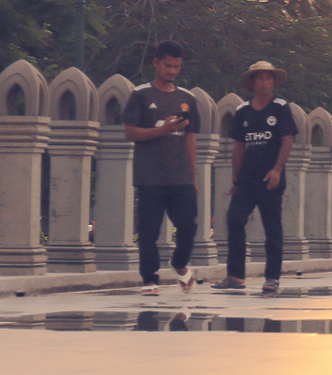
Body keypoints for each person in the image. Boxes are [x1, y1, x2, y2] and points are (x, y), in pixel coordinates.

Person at [122, 41, 200, 293]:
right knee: (148, 231)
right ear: (156, 62)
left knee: (188, 226)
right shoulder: (140, 94)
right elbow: (131, 132)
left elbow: (190, 136)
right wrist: (162, 130)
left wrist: (193, 175)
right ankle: (150, 279)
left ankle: (179, 264)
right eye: (168, 65)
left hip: (181, 176)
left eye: (177, 66)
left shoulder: (187, 98)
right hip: (150, 176)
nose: (172, 71)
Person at [218, 60, 297, 294]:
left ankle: (272, 277)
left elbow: (287, 139)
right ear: (252, 82)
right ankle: (235, 276)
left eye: (268, 78)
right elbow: (240, 146)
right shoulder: (243, 110)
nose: (265, 82)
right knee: (234, 220)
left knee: (272, 226)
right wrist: (235, 179)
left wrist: (277, 169)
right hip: (247, 179)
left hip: (270, 178)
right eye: (260, 78)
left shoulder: (281, 107)